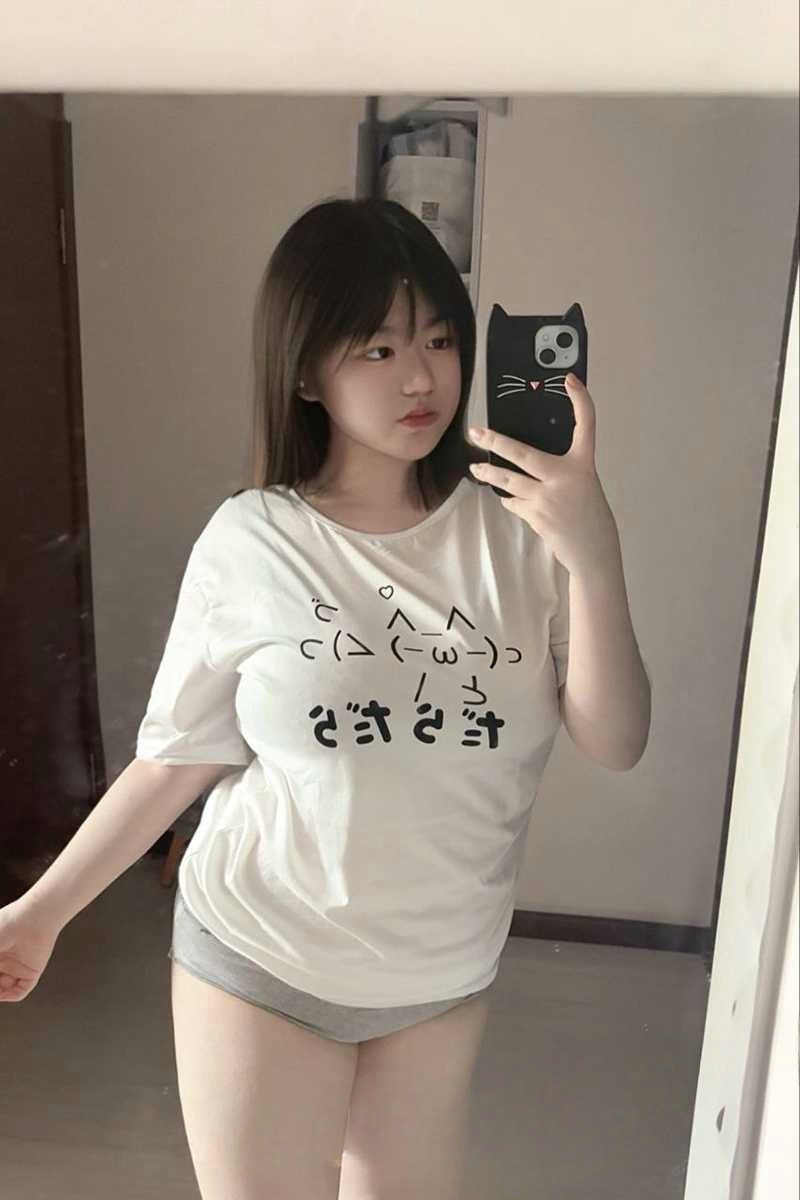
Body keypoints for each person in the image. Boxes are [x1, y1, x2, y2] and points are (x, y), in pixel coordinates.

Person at [0, 197, 648, 1199]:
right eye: (376, 348)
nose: (420, 376)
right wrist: (41, 914)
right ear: (305, 371)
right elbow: (179, 757)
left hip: (437, 976)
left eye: (438, 339)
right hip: (261, 955)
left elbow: (614, 739)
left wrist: (594, 555)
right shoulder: (252, 539)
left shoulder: (524, 533)